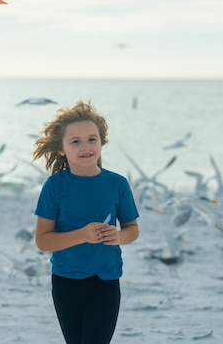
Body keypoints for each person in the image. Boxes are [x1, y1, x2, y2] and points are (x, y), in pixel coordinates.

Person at [33, 100, 140, 344]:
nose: (86, 147)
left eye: (92, 139)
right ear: (61, 149)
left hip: (106, 281)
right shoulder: (54, 186)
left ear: (102, 142)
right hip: (65, 282)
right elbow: (43, 240)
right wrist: (83, 235)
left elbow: (133, 230)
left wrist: (119, 236)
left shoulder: (117, 184)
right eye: (75, 141)